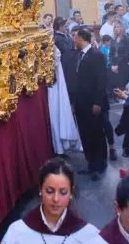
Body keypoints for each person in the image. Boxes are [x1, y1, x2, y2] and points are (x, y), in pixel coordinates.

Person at [0, 157, 100, 243]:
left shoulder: (89, 235)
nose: (56, 199)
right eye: (49, 191)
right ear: (40, 190)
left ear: (71, 193)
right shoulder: (17, 232)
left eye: (63, 192)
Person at [71, 28, 108, 179]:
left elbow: (101, 80)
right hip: (81, 103)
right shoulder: (79, 55)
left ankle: (100, 164)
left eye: (75, 38)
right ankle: (90, 162)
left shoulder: (96, 55)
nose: (74, 40)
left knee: (96, 133)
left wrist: (98, 102)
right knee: (85, 133)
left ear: (81, 38)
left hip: (93, 102)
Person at [49, 18, 80, 155]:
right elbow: (65, 53)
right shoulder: (58, 39)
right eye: (64, 25)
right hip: (61, 75)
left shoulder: (64, 37)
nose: (66, 28)